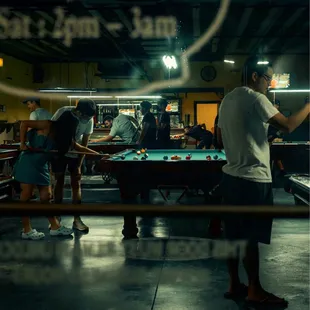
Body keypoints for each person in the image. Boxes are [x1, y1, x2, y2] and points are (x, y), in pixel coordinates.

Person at [217, 55, 309, 307]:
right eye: (268, 78)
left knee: (233, 235)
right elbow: (289, 125)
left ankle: (235, 283)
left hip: (231, 177)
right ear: (255, 76)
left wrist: (262, 142)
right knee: (250, 237)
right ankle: (255, 290)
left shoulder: (228, 99)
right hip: (253, 180)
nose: (270, 83)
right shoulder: (256, 97)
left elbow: (231, 137)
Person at [13, 111, 99, 240]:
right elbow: (24, 123)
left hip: (42, 166)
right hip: (28, 163)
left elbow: (78, 147)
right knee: (26, 198)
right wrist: (22, 143)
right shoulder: (47, 124)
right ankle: (27, 230)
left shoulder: (64, 137)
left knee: (46, 197)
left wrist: (97, 154)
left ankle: (55, 227)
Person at [51, 99, 96, 233]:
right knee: (58, 181)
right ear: (79, 112)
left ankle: (77, 219)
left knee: (76, 183)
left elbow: (85, 142)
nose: (88, 119)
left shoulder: (89, 120)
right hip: (59, 151)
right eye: (86, 116)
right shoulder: (63, 112)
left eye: (90, 117)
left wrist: (80, 162)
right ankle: (56, 218)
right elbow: (52, 130)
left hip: (75, 153)